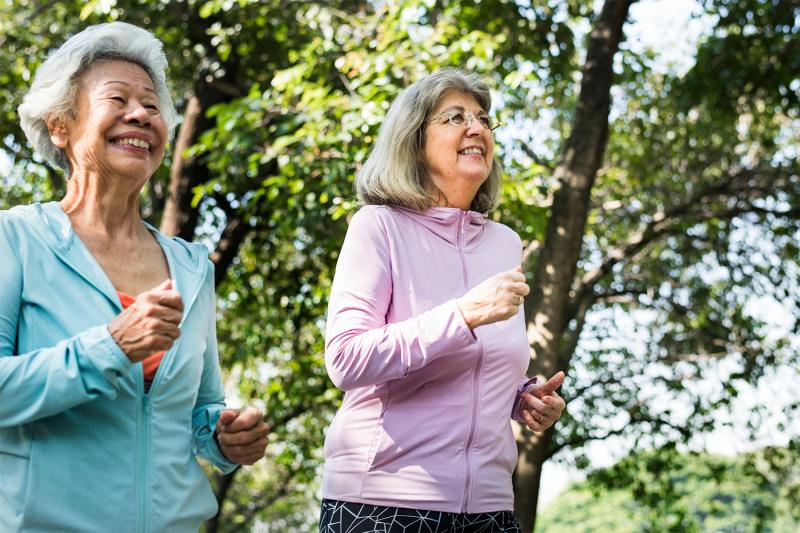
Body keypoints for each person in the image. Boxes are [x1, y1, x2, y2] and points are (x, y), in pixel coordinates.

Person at [0, 22, 267, 532]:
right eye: (118, 98)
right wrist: (111, 346)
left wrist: (225, 437)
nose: (142, 114)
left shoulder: (190, 266)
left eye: (152, 104)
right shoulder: (14, 241)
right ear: (61, 126)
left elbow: (200, 410)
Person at [319, 69, 567, 532]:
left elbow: (477, 366)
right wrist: (464, 313)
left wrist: (521, 398)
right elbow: (346, 359)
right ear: (414, 142)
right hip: (383, 502)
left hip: (490, 508)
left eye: (482, 119)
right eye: (454, 117)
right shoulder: (378, 226)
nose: (476, 128)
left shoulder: (504, 244)